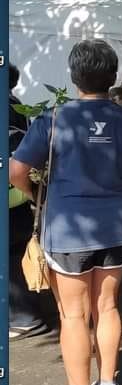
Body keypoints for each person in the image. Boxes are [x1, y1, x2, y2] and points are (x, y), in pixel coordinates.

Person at [10, 40, 122, 385]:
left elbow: (16, 171)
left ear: (73, 75)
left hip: (68, 229)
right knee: (108, 307)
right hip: (119, 227)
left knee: (73, 316)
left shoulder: (52, 119)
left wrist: (36, 195)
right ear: (114, 76)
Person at [8, 64, 50, 340]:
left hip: (11, 191)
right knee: (17, 251)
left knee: (12, 255)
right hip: (19, 193)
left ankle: (24, 317)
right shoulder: (18, 106)